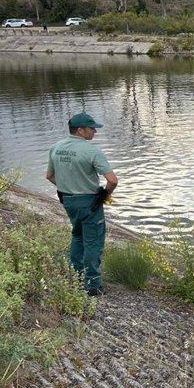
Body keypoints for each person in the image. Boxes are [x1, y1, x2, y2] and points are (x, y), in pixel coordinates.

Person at [45, 113, 118, 296]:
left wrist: (67, 187)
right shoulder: (91, 151)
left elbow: (49, 176)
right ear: (80, 130)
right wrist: (104, 195)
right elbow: (112, 180)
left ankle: (75, 275)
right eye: (91, 128)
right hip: (90, 202)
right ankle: (93, 284)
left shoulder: (55, 148)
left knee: (77, 235)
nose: (94, 131)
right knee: (93, 241)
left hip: (68, 200)